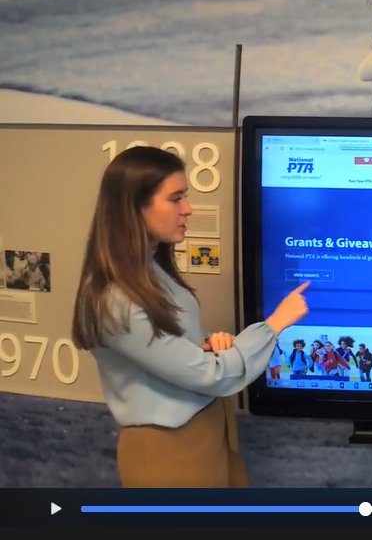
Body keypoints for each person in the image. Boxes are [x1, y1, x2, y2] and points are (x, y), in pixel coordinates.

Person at [70, 146, 311, 488]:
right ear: (134, 207)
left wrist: (205, 347)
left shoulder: (150, 270)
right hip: (169, 454)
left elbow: (171, 353)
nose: (188, 209)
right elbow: (209, 375)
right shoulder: (115, 300)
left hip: (206, 432)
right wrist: (275, 324)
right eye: (175, 199)